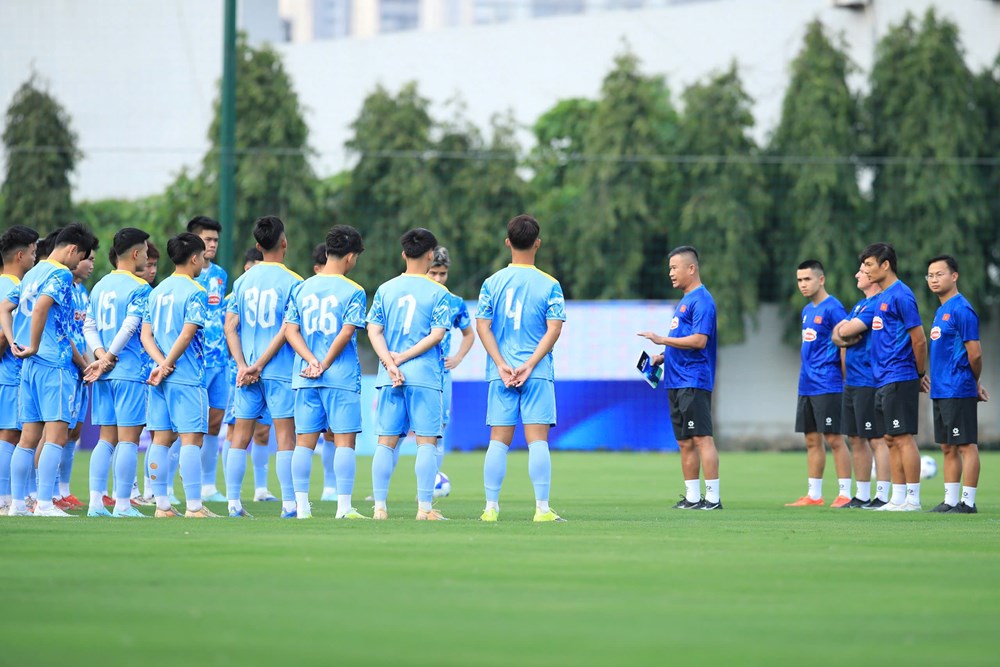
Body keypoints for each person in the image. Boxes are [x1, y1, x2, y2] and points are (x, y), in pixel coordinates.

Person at [0, 223, 99, 517]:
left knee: (28, 439)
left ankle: (17, 504)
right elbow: (43, 309)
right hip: (52, 365)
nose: (78, 263)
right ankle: (44, 503)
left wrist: (20, 344)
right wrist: (31, 343)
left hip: (29, 367)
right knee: (56, 436)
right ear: (72, 250)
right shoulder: (59, 274)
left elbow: (5, 308)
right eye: (81, 256)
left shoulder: (33, 273)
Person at [477, 215, 567, 522]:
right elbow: (554, 329)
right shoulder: (550, 284)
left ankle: (491, 508)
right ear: (537, 244)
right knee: (538, 441)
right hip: (537, 372)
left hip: (500, 374)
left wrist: (502, 364)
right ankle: (541, 509)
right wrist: (529, 364)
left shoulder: (492, 283)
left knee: (498, 442)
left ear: (507, 243)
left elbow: (483, 326)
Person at [367, 227, 451, 521]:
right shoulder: (439, 292)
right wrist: (403, 357)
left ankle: (379, 508)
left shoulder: (386, 288)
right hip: (424, 375)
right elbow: (438, 334)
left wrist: (390, 362)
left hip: (390, 376)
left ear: (404, 254)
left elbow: (373, 330)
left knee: (385, 442)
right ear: (430, 255)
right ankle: (424, 509)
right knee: (426, 442)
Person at [284, 225, 367, 520]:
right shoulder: (354, 290)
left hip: (305, 375)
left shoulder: (301, 287)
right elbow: (346, 333)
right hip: (340, 377)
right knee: (345, 440)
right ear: (350, 257)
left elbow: (291, 331)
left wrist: (311, 360)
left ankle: (303, 508)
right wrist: (326, 363)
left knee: (304, 441)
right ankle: (343, 507)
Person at [838, 243, 927, 511]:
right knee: (890, 438)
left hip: (899, 375)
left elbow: (919, 340)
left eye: (868, 264)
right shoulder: (882, 298)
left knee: (903, 437)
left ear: (885, 265)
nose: (863, 270)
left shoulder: (902, 295)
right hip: (881, 378)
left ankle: (913, 498)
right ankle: (897, 498)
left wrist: (918, 373)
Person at [224, 216, 303, 518]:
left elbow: (230, 326)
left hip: (246, 373)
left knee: (240, 437)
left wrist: (244, 364)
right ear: (284, 243)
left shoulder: (242, 282)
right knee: (285, 438)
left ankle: (233, 504)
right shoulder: (294, 282)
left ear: (258, 246)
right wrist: (260, 364)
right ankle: (288, 505)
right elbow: (288, 328)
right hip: (279, 371)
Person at [639, 245, 721, 511]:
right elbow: (683, 341)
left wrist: (662, 339)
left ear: (691, 268)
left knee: (701, 438)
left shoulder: (702, 300)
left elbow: (699, 340)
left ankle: (713, 498)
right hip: (675, 379)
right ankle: (693, 497)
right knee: (684, 441)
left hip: (693, 380)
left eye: (674, 268)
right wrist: (663, 355)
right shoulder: (685, 301)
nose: (670, 273)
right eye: (670, 268)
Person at [141, 232, 217, 518]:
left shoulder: (156, 291)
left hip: (159, 375)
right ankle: (194, 507)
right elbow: (188, 332)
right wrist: (169, 363)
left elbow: (146, 335)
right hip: (185, 375)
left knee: (160, 438)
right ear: (195, 258)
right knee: (191, 439)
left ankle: (162, 506)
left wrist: (160, 364)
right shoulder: (195, 290)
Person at [82, 228, 151, 518]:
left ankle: (96, 504)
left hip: (104, 374)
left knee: (105, 438)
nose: (148, 258)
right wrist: (109, 356)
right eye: (146, 252)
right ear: (135, 253)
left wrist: (98, 356)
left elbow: (89, 326)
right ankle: (123, 504)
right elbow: (131, 325)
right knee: (127, 440)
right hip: (128, 370)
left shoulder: (100, 286)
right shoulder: (140, 287)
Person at [924, 255, 988, 514]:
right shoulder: (941, 310)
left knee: (965, 445)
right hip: (940, 389)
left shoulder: (962, 309)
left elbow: (975, 353)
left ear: (954, 276)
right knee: (947, 446)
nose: (934, 279)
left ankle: (968, 502)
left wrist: (973, 382)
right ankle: (950, 501)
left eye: (940, 274)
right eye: (930, 275)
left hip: (958, 387)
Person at [785, 260, 851, 508]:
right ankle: (814, 495)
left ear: (821, 279)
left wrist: (844, 378)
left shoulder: (834, 308)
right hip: (807, 384)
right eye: (799, 280)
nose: (803, 284)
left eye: (807, 279)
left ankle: (845, 493)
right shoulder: (806, 311)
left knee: (834, 439)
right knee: (811, 440)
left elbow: (845, 344)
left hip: (829, 383)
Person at [220, 247, 276, 503]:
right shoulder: (236, 295)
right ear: (246, 267)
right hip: (239, 372)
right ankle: (229, 492)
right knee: (235, 432)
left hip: (268, 370)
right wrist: (242, 364)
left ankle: (261, 489)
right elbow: (228, 331)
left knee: (263, 432)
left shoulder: (275, 292)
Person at [832, 264, 890, 509]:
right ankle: (862, 495)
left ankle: (883, 496)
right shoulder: (859, 305)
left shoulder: (877, 304)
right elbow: (837, 335)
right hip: (852, 381)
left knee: (876, 439)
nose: (857, 274)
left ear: (872, 276)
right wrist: (844, 334)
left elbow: (845, 330)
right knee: (855, 438)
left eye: (862, 270)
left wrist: (845, 333)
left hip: (869, 380)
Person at [187, 217, 229, 503]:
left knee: (214, 424)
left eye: (215, 239)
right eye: (207, 239)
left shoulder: (221, 275)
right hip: (193, 361)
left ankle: (208, 486)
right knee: (186, 426)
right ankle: (160, 487)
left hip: (220, 359)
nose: (212, 244)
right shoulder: (185, 275)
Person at [0, 225, 39, 515]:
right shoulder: (16, 287)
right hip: (10, 373)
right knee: (10, 435)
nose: (36, 258)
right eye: (35, 252)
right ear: (21, 255)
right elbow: (4, 334)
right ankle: (6, 497)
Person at [427, 245, 475, 480]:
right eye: (433, 272)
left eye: (442, 273)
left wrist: (457, 357)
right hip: (410, 370)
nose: (438, 278)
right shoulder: (414, 298)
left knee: (438, 431)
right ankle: (379, 493)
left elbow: (469, 334)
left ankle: (430, 483)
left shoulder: (454, 302)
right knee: (394, 433)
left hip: (440, 374)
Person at [54, 247, 95, 510]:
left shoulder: (83, 292)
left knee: (74, 431)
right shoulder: (64, 287)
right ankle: (39, 492)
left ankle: (64, 490)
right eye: (88, 259)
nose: (91, 264)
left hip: (82, 367)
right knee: (52, 432)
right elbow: (64, 331)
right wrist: (82, 363)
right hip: (68, 365)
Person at [311, 240, 339, 502]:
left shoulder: (304, 289)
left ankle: (330, 487)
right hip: (322, 370)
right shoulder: (305, 289)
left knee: (331, 433)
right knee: (301, 437)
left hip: (312, 369)